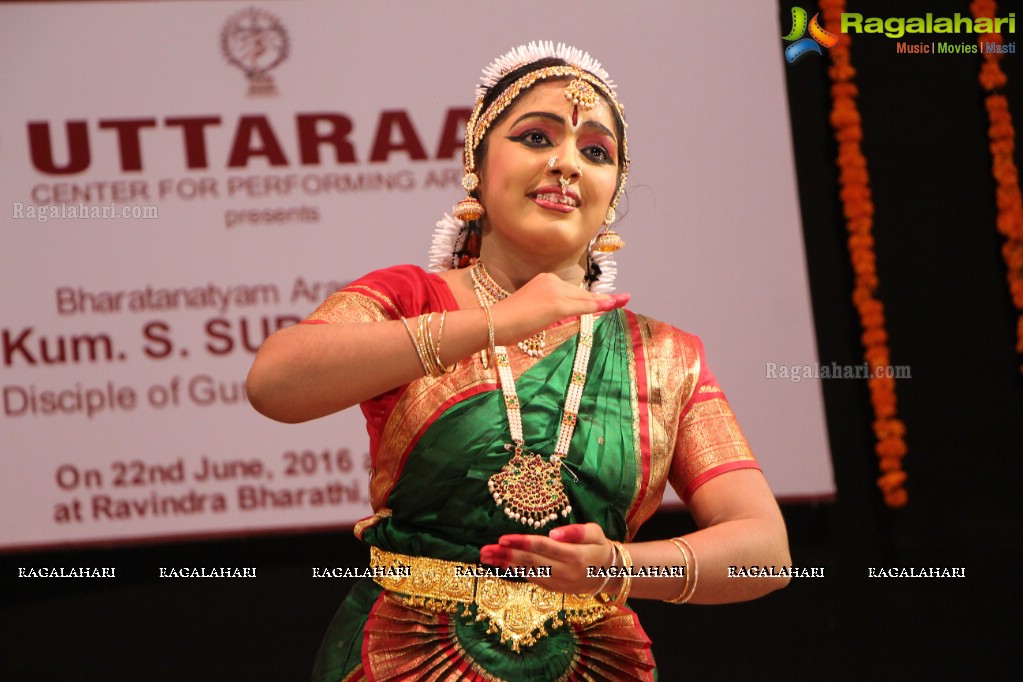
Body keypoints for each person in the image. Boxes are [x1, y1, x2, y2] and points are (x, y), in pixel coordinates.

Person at [247, 41, 791, 682]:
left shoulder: (666, 356)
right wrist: (495, 322)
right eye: (537, 137)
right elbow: (275, 383)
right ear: (475, 166)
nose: (566, 165)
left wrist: (619, 568)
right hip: (402, 656)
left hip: (590, 661)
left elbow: (766, 553)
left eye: (595, 152)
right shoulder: (409, 300)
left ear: (612, 192)